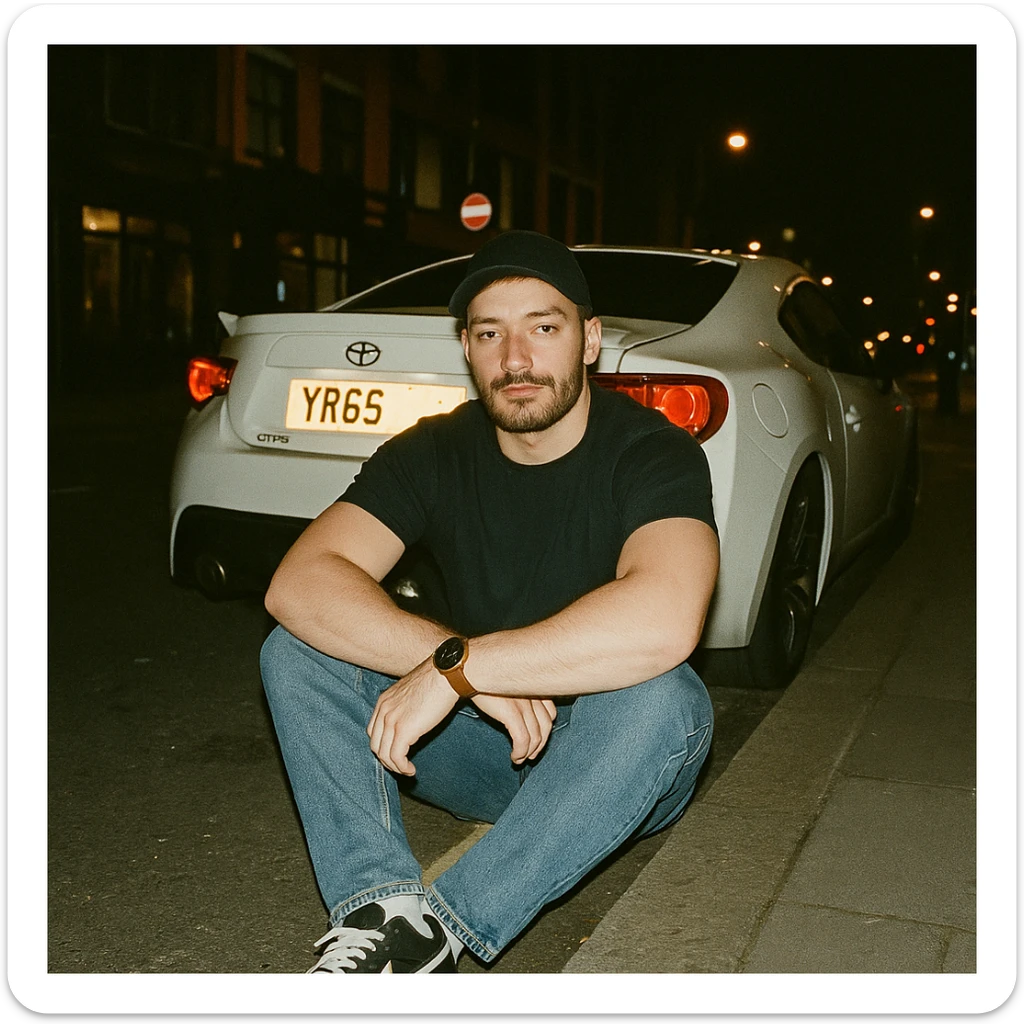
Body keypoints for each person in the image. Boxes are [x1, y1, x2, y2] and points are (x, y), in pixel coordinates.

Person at [259, 230, 720, 973]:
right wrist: (451, 664)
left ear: (590, 340)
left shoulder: (652, 451)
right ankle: (380, 906)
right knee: (297, 648)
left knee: (666, 698)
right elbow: (301, 582)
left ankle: (438, 934)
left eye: (543, 328)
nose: (516, 359)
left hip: (615, 766)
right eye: (489, 333)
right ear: (466, 349)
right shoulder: (431, 450)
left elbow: (666, 616)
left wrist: (469, 668)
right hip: (483, 750)